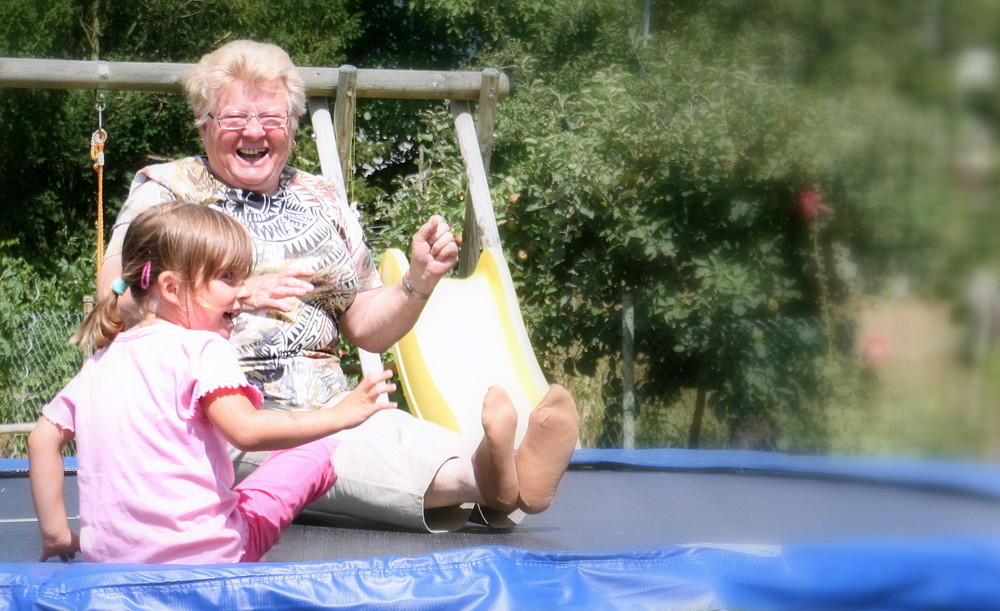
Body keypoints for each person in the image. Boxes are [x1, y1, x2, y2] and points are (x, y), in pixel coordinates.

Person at [96, 39, 580, 534]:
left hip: (332, 400)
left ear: (292, 126)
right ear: (204, 123)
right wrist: (239, 293)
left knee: (389, 434)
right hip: (229, 412)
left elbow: (367, 327)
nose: (255, 132)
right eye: (235, 118)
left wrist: (418, 279)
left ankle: (500, 472)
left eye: (273, 119)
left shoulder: (321, 197)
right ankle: (483, 481)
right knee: (336, 456)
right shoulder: (167, 191)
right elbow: (113, 293)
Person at [29, 202, 399, 563]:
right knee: (314, 453)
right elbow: (246, 431)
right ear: (171, 288)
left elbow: (42, 437)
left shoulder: (98, 363)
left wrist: (57, 534)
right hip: (211, 557)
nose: (242, 290)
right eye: (228, 278)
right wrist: (342, 414)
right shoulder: (201, 348)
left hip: (110, 563)